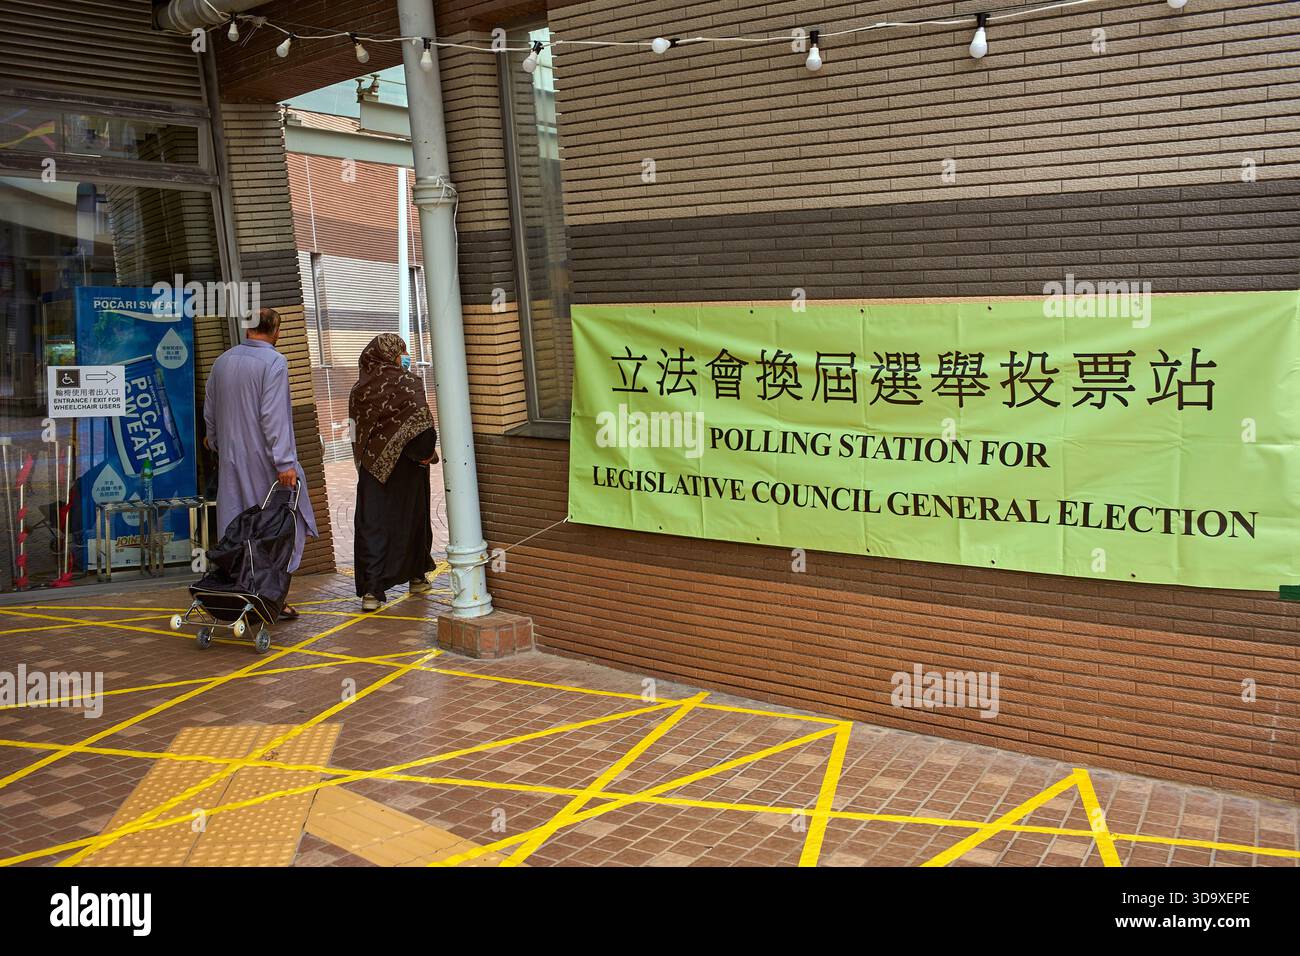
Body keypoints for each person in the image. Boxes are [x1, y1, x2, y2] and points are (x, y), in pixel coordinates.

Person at [203, 307, 318, 620]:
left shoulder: (222, 361)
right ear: (276, 331)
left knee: (236, 526)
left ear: (246, 328)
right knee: (276, 528)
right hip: (266, 463)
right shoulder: (274, 362)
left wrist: (214, 439)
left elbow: (210, 409)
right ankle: (269, 598)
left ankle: (240, 596)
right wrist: (285, 463)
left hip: (229, 458)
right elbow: (274, 416)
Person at [349, 333, 438, 611]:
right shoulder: (409, 383)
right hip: (408, 469)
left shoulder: (359, 390)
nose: (406, 356)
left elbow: (354, 430)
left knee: (373, 525)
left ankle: (372, 593)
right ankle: (415, 575)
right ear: (392, 354)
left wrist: (364, 460)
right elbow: (423, 427)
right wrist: (426, 456)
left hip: (373, 471)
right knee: (411, 520)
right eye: (403, 351)